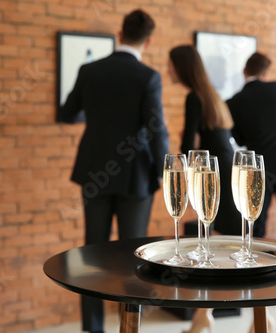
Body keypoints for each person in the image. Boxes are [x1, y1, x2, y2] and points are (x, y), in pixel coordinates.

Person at [59, 9, 169, 333]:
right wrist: (165, 171)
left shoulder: (89, 70)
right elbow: (157, 128)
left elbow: (68, 113)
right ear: (148, 41)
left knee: (92, 253)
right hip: (136, 175)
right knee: (134, 256)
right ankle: (128, 326)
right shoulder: (148, 77)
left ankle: (92, 328)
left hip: (94, 170)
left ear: (120, 34)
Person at [226, 52, 276, 243]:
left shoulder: (233, 102)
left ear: (244, 71)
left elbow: (238, 138)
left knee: (255, 227)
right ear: (265, 74)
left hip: (260, 170)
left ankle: (254, 268)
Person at [168, 45, 241, 236]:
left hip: (213, 170)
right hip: (226, 164)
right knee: (228, 227)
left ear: (181, 67)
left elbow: (188, 148)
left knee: (220, 227)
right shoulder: (210, 94)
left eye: (170, 65)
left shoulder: (194, 97)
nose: (168, 70)